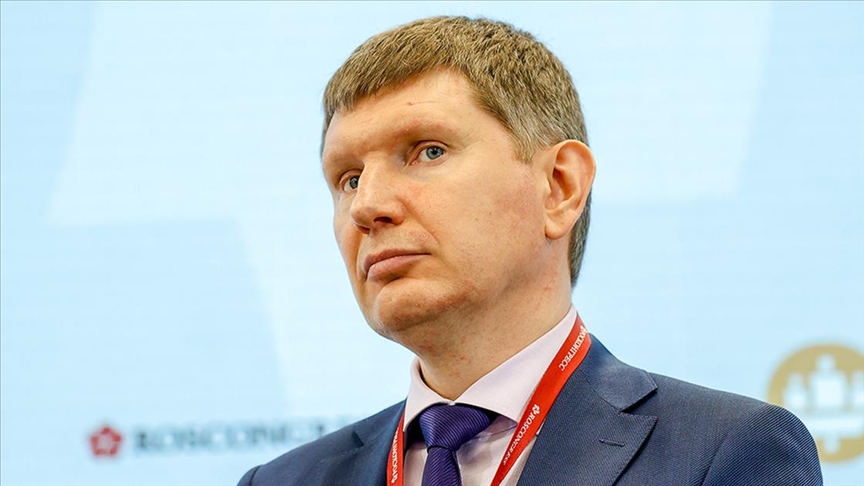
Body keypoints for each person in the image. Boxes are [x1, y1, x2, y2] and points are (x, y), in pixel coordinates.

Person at [239, 16, 822, 486]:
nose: (367, 206)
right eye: (347, 179)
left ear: (559, 187)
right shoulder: (281, 481)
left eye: (427, 151)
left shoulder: (725, 451)